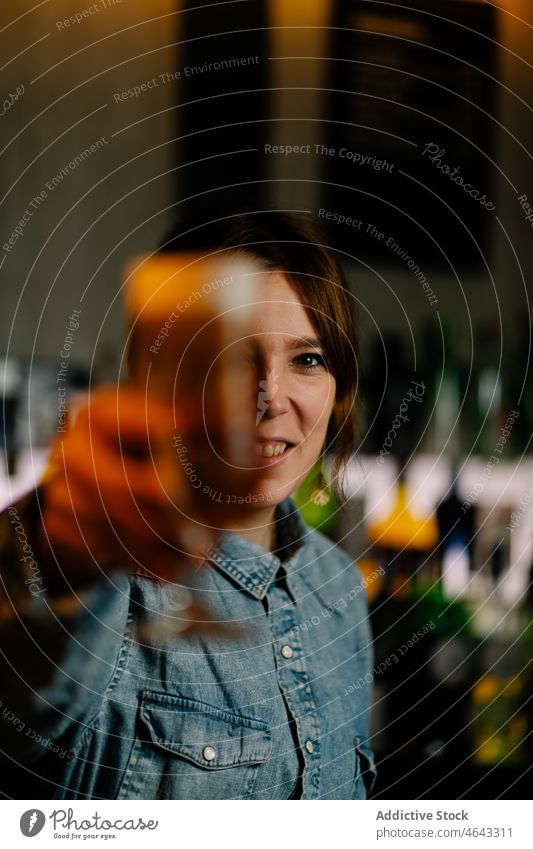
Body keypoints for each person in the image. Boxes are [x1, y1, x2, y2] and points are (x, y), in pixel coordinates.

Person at [0, 211, 375, 800]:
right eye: (235, 356)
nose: (270, 395)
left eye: (308, 359)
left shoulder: (341, 589)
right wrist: (50, 555)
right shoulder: (112, 578)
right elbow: (23, 720)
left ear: (339, 389)